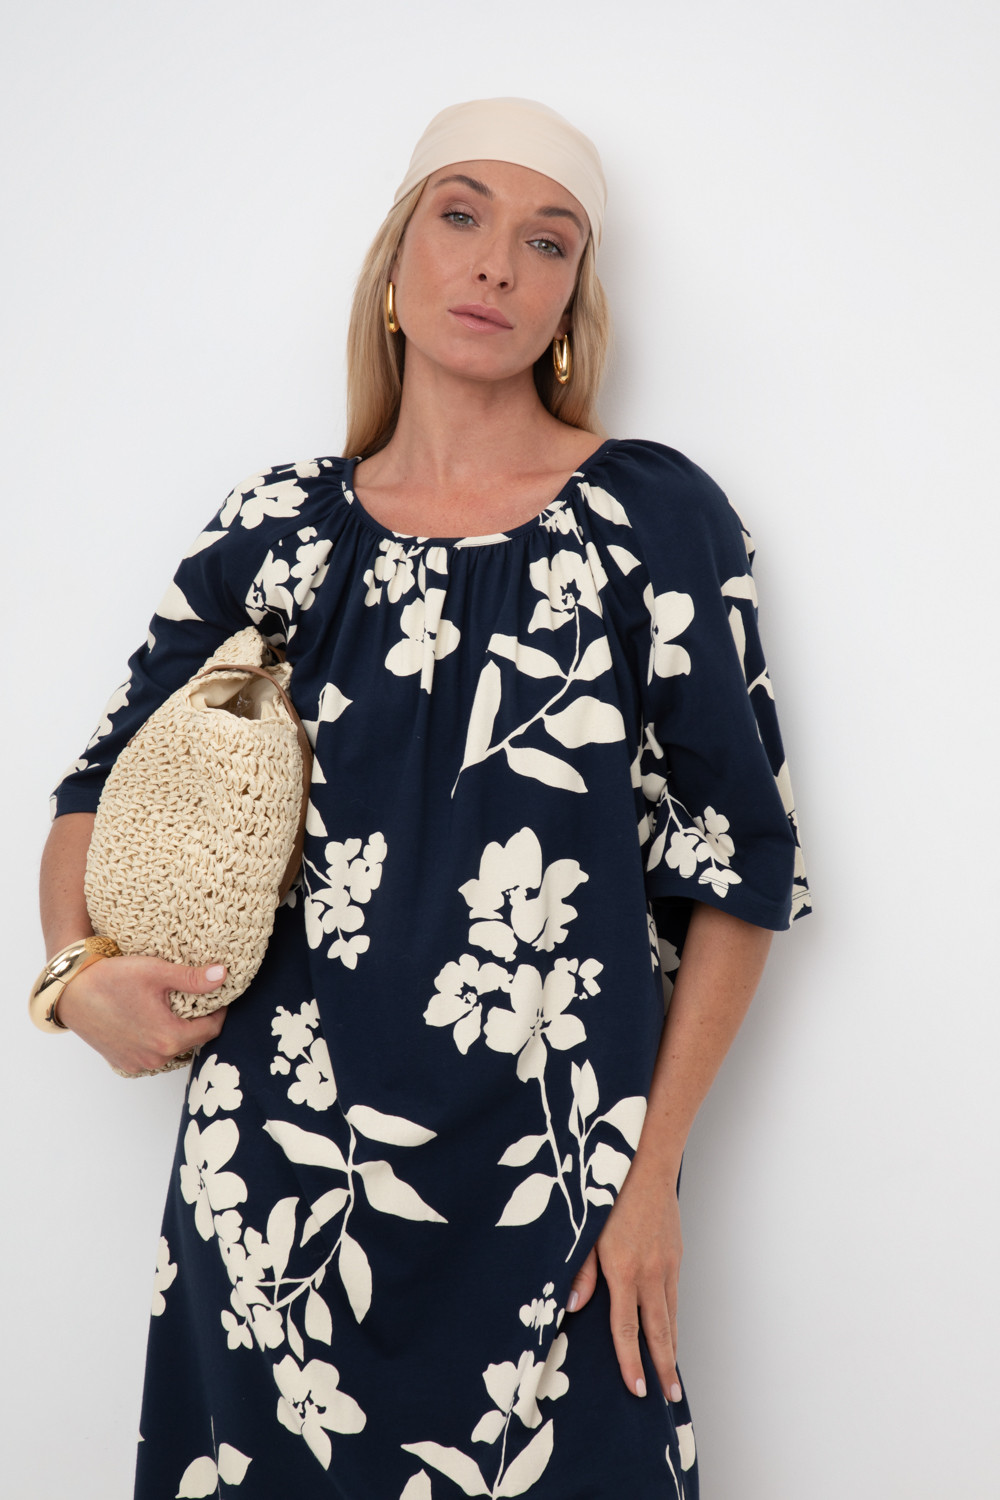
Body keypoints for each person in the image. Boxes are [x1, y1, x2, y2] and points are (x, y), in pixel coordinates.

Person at [36, 98, 809, 1499]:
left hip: (561, 1186)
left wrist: (650, 1179)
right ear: (396, 262)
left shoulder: (654, 521)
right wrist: (73, 975)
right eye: (461, 216)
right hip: (275, 1188)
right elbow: (101, 780)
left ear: (572, 300)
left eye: (548, 240)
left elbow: (739, 862)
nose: (498, 262)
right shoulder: (277, 532)